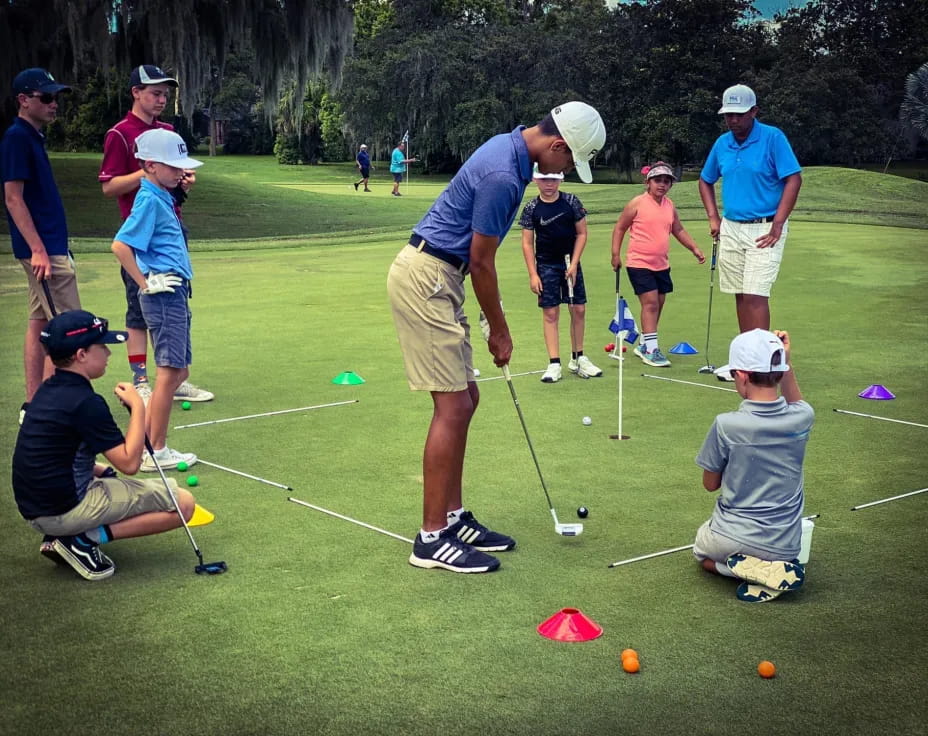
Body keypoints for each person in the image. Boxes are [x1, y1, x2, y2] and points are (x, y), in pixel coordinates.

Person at [387, 101, 605, 573]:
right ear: (558, 145)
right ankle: (430, 538)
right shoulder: (506, 175)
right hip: (428, 276)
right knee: (453, 404)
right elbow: (482, 259)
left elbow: (476, 261)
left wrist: (491, 312)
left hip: (445, 275)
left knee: (467, 397)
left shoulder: (511, 152)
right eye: (569, 160)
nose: (565, 169)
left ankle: (452, 516)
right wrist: (500, 330)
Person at [11, 309, 196, 581]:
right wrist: (138, 408)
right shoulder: (86, 403)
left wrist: (99, 470)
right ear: (81, 355)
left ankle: (69, 534)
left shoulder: (48, 391)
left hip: (36, 508)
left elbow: (55, 453)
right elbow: (130, 463)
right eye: (102, 346)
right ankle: (82, 540)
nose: (108, 354)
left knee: (109, 475)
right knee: (184, 504)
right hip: (62, 510)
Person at [99, 65, 213, 404]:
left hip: (171, 223)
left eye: (165, 94)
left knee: (176, 304)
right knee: (140, 308)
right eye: (155, 93)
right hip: (139, 233)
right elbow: (109, 187)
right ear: (136, 93)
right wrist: (148, 172)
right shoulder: (120, 134)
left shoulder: (167, 129)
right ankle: (142, 381)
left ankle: (174, 378)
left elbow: (176, 175)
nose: (162, 99)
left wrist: (180, 179)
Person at [693, 328, 813, 603]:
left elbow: (710, 485)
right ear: (780, 372)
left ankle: (734, 570)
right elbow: (797, 401)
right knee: (722, 544)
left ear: (743, 375)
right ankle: (769, 570)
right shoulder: (803, 417)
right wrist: (787, 360)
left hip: (729, 539)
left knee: (701, 551)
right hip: (785, 545)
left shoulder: (726, 424)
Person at [111, 128, 203, 472]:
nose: (181, 171)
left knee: (179, 371)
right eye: (174, 165)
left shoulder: (162, 193)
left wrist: (181, 187)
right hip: (162, 292)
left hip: (175, 290)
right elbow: (121, 246)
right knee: (169, 374)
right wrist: (146, 282)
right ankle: (155, 450)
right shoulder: (149, 199)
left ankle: (145, 441)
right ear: (150, 165)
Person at [2, 68, 79, 417]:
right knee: (70, 329)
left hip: (50, 245)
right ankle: (52, 411)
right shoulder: (17, 137)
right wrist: (38, 249)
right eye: (45, 97)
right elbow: (13, 198)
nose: (54, 104)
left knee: (40, 323)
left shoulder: (33, 137)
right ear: (23, 100)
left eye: (56, 97)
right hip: (44, 250)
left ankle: (34, 405)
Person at [698, 84, 802, 334]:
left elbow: (794, 179)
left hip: (765, 228)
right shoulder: (722, 143)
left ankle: (761, 364)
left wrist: (778, 223)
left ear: (754, 111)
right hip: (731, 226)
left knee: (756, 295)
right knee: (741, 294)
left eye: (739, 114)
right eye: (728, 115)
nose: (732, 120)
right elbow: (705, 180)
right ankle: (746, 357)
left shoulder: (773, 138)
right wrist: (713, 218)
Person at [611, 161, 705, 368]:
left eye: (666, 181)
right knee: (651, 303)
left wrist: (694, 248)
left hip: (661, 265)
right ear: (648, 182)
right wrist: (615, 254)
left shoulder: (669, 206)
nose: (662, 185)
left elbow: (678, 230)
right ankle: (651, 350)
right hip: (639, 262)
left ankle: (645, 342)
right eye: (657, 180)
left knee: (659, 302)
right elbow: (620, 228)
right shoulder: (637, 203)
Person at [519, 165, 602, 382]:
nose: (549, 184)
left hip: (570, 263)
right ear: (536, 180)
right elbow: (528, 244)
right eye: (545, 179)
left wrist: (574, 263)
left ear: (561, 181)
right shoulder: (531, 208)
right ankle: (554, 363)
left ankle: (578, 358)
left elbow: (582, 233)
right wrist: (532, 274)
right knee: (551, 313)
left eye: (554, 179)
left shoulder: (571, 202)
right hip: (546, 266)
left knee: (578, 309)